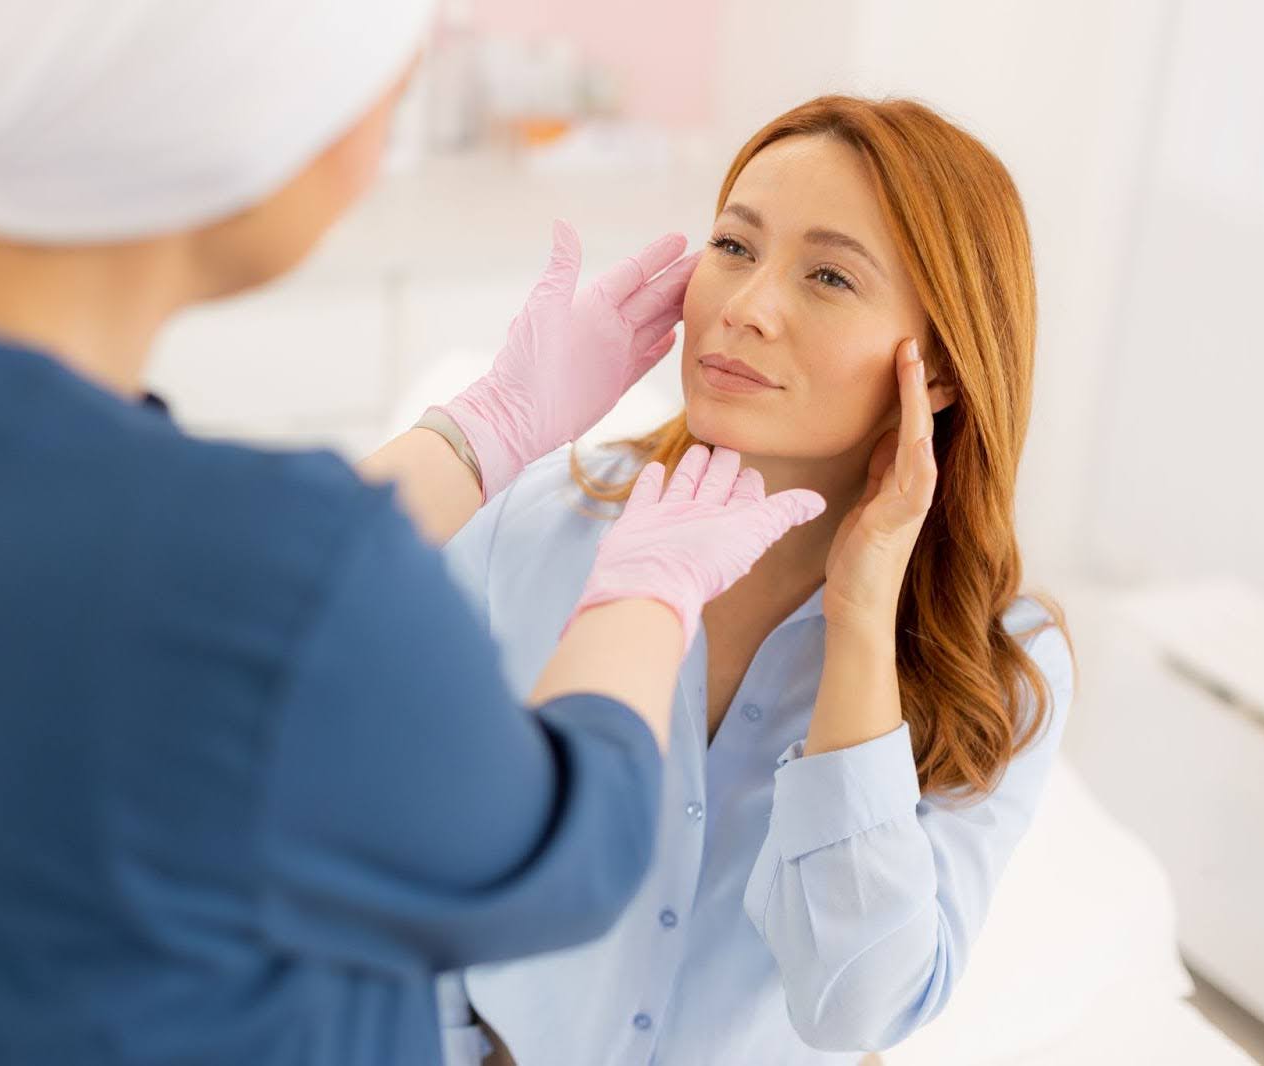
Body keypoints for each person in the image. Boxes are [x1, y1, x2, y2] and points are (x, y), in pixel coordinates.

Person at [0, 3, 829, 1065]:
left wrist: (483, 432)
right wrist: (643, 593)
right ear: (248, 113)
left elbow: (190, 615)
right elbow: (571, 855)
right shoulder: (267, 568)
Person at [435, 95, 1077, 1066]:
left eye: (827, 275)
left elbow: (854, 1005)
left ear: (939, 370)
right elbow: (409, 864)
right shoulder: (540, 526)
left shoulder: (1005, 660)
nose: (743, 307)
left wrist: (861, 618)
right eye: (733, 247)